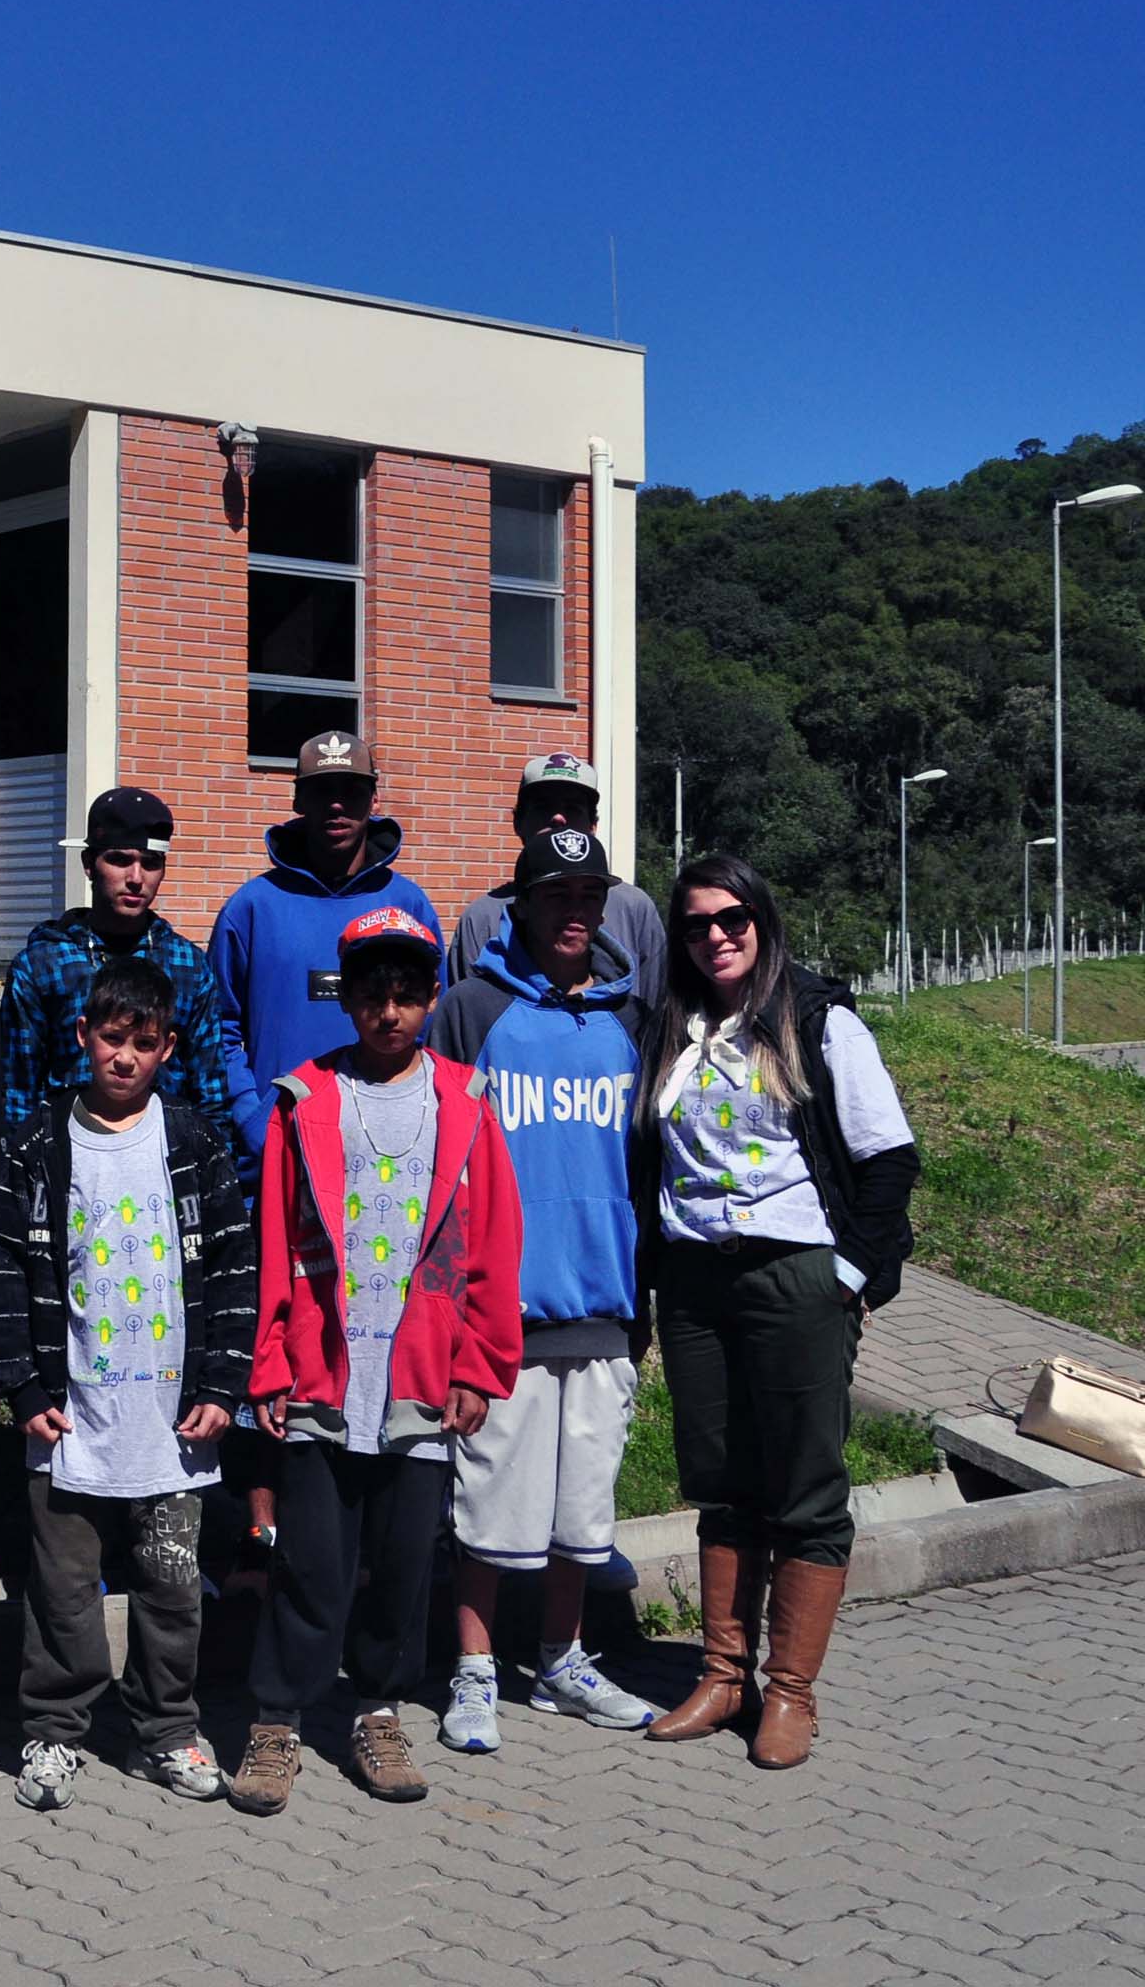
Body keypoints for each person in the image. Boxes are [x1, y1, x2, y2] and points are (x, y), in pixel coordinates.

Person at [225, 907, 521, 1818]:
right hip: (323, 1374)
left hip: (421, 1378)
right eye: (372, 994)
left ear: (432, 998)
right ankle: (275, 1722)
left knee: (400, 1567)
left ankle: (378, 1710)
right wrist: (267, 1361)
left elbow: (494, 1248)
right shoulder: (307, 1100)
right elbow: (273, 1239)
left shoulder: (468, 1103)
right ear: (345, 999)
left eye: (406, 994)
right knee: (311, 1563)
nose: (389, 1012)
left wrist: (480, 1365)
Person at [638, 855, 917, 1771]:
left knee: (803, 1485)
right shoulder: (672, 1026)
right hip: (696, 1283)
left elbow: (888, 1159)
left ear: (762, 920)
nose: (715, 935)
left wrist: (848, 1276)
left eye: (733, 919)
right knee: (721, 1480)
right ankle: (725, 1677)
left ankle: (791, 1690)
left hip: (795, 1275)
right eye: (695, 924)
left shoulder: (817, 1018)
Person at [0, 956, 255, 1813]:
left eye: (143, 1042)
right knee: (63, 1588)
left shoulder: (196, 1141)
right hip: (68, 1417)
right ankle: (54, 1732)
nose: (125, 1056)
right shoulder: (36, 1146)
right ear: (82, 1037)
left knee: (172, 1586)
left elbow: (239, 1268)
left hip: (173, 1421)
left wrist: (222, 1381)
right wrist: (21, 1387)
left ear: (168, 1047)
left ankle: (168, 1728)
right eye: (111, 1037)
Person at [426, 830, 658, 1752]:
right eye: (556, 895)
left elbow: (647, 1167)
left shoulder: (630, 1018)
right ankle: (475, 1670)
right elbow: (440, 1164)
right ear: (517, 903)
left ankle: (561, 1661)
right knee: (487, 1505)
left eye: (589, 896)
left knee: (579, 1507)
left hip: (602, 1304)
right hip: (500, 1313)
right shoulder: (472, 1009)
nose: (575, 912)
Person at [208, 731, 446, 1168]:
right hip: (280, 1149)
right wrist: (251, 1114)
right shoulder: (252, 908)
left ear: (374, 800)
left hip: (387, 1148)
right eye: (321, 792)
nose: (337, 805)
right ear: (299, 800)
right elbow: (216, 1028)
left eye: (352, 792)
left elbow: (431, 1024)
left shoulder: (409, 905)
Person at [0, 787, 246, 1139]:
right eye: (119, 859)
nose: (136, 878)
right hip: (66, 1163)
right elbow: (18, 1094)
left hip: (164, 1162)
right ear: (89, 864)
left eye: (150, 863)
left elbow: (210, 1093)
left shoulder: (187, 966)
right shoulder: (44, 965)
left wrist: (214, 1176)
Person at [445, 753, 667, 1011]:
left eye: (573, 808)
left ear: (593, 824)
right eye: (543, 807)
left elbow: (656, 1014)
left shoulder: (634, 908)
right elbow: (465, 1022)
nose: (559, 818)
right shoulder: (481, 918)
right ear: (517, 822)